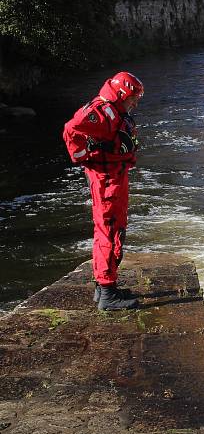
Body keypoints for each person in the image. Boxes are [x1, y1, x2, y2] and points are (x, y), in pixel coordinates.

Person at [63, 72, 144, 311]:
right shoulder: (102, 112)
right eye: (133, 98)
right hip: (107, 179)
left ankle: (104, 287)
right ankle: (107, 292)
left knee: (109, 230)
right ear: (122, 93)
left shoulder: (113, 111)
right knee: (110, 231)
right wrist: (84, 156)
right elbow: (71, 129)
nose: (135, 103)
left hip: (113, 175)